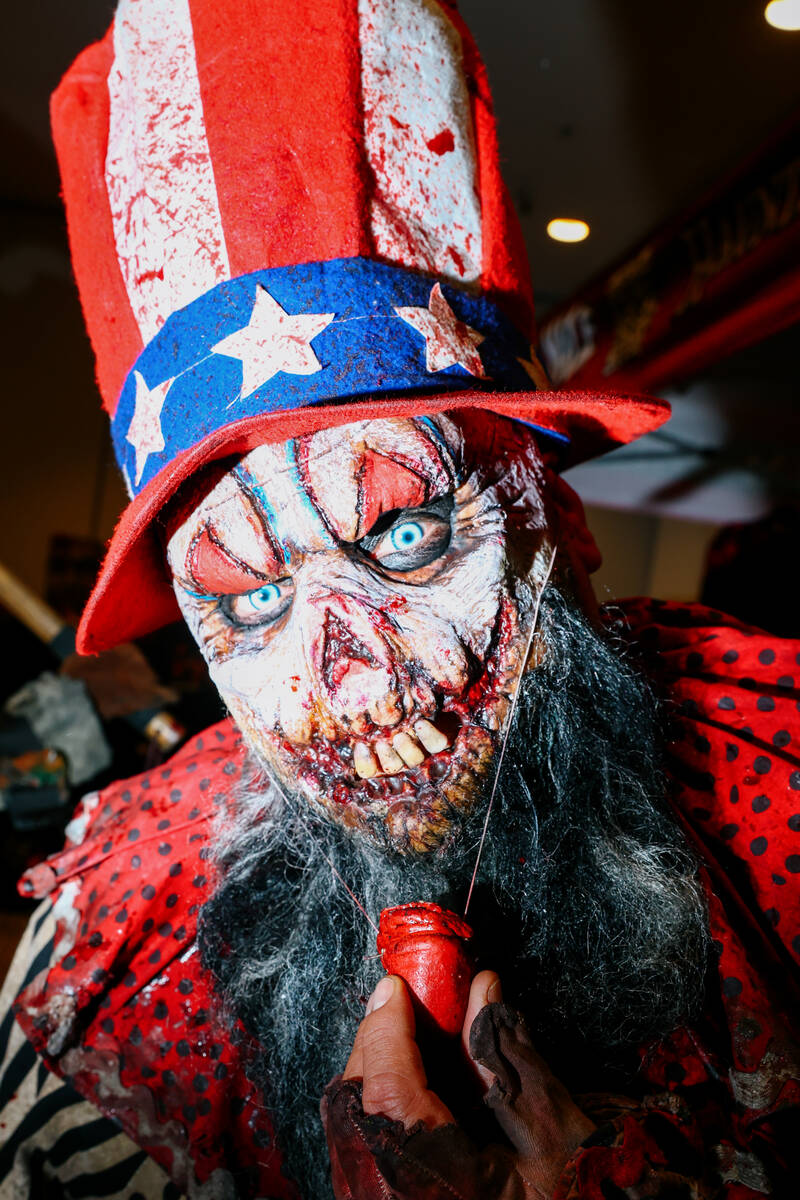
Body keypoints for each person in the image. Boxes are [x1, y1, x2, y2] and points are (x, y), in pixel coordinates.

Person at [1, 1, 798, 1197]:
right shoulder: (120, 947)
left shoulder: (778, 791)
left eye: (407, 530)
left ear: (559, 526)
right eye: (250, 595)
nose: (348, 678)